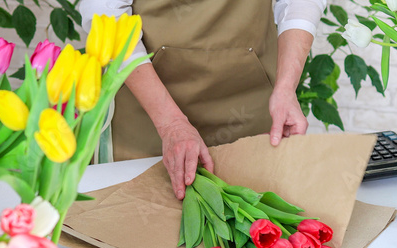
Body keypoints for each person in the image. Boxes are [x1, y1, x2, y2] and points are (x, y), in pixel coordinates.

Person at [79, 0, 326, 200]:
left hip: (249, 104)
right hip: (146, 110)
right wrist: (170, 124)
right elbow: (104, 15)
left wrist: (286, 87)